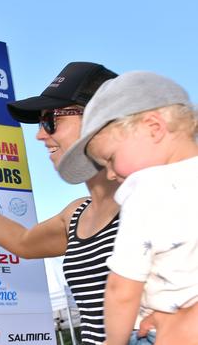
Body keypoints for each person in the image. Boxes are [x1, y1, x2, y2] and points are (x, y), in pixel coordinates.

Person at [0, 61, 120, 344]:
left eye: (51, 120)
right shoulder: (76, 214)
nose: (40, 134)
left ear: (98, 117)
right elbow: (24, 242)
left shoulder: (153, 201)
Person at [57, 71, 198, 345]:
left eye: (109, 158)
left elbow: (122, 288)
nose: (110, 174)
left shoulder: (146, 188)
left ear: (154, 128)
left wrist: (114, 341)